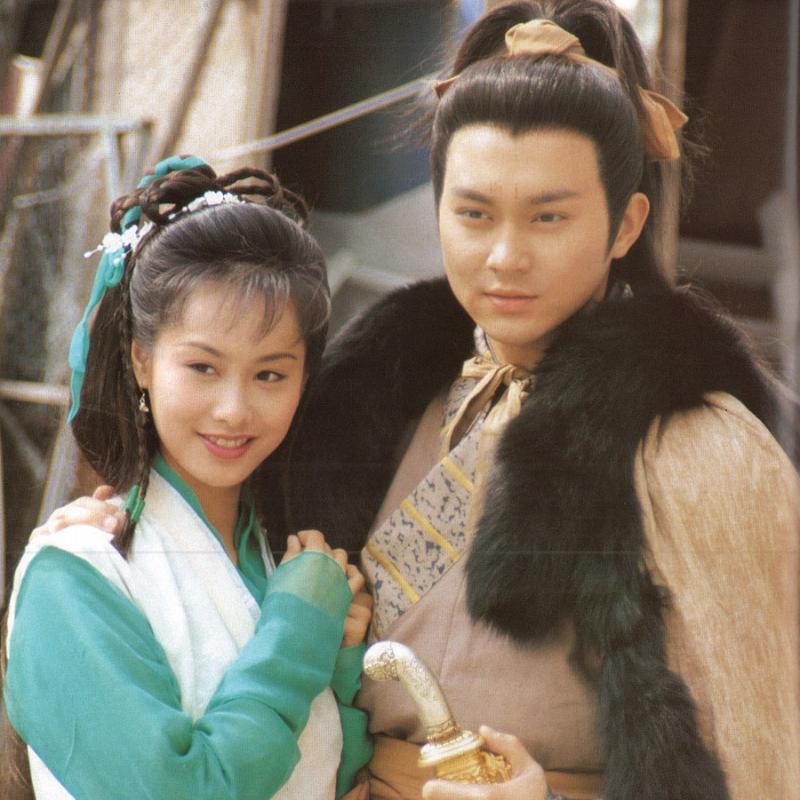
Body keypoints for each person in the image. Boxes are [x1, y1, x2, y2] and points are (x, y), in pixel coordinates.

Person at [34, 2, 800, 799]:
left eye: (549, 217)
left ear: (625, 224)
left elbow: (767, 760)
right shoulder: (370, 399)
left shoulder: (706, 449)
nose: (505, 255)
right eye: (474, 213)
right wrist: (114, 532)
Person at [1, 156, 373, 800]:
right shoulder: (76, 573)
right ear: (141, 360)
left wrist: (337, 667)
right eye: (203, 367)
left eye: (270, 374)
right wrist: (298, 634)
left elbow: (325, 781)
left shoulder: (281, 562)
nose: (234, 409)